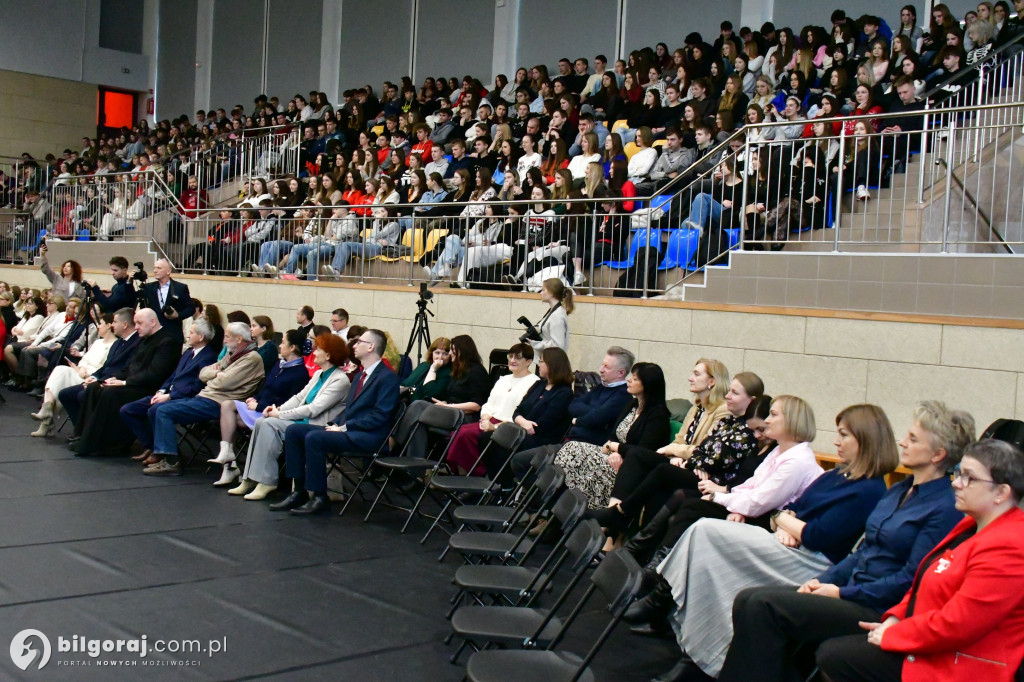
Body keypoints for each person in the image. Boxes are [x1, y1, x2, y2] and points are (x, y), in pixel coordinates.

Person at [717, 401, 975, 682]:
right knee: (747, 599)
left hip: (878, 606)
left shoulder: (945, 506)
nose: (902, 442)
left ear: (938, 454)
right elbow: (863, 551)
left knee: (762, 605)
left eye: (913, 439)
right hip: (852, 588)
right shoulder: (899, 489)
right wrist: (822, 580)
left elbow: (912, 579)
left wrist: (841, 593)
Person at [640, 404, 898, 681]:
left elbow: (816, 535)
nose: (836, 440)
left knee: (705, 531)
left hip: (810, 559)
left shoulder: (869, 488)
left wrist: (787, 522)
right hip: (788, 544)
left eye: (844, 435)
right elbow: (790, 509)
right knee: (704, 534)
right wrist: (787, 521)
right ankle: (687, 638)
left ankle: (668, 608)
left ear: (866, 439)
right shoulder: (837, 474)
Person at [817, 439, 1024, 682]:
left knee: (834, 655)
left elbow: (959, 624)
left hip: (960, 663)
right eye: (957, 473)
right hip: (929, 640)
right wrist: (895, 617)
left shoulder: (1010, 546)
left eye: (969, 477)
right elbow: (922, 581)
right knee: (829, 648)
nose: (956, 483)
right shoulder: (969, 525)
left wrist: (896, 634)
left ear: (1001, 492)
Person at [587, 371, 763, 533]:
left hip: (709, 481)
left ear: (752, 400)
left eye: (735, 393)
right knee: (637, 456)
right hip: (693, 468)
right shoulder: (728, 421)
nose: (727, 395)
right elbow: (702, 449)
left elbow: (717, 460)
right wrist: (690, 458)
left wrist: (692, 460)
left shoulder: (747, 431)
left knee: (660, 471)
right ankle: (617, 517)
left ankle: (619, 514)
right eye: (729, 390)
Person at [270, 329, 400, 515]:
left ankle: (319, 496)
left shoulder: (387, 378)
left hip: (369, 436)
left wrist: (345, 426)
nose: (354, 346)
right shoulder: (360, 375)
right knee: (293, 431)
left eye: (359, 342)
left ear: (371, 347)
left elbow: (381, 416)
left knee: (315, 438)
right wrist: (335, 423)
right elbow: (349, 409)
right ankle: (298, 491)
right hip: (350, 429)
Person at [227, 332, 350, 499]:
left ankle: (266, 481)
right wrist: (275, 410)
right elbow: (299, 397)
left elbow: (314, 409)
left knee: (269, 424)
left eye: (318, 349)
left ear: (328, 355)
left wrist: (280, 415)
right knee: (264, 421)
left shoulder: (340, 380)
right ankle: (250, 478)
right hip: (302, 421)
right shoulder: (318, 374)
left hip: (317, 425)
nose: (314, 352)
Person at [142, 322, 265, 475]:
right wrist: (216, 374)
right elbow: (203, 373)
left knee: (164, 411)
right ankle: (167, 454)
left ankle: (171, 462)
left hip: (218, 403)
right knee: (154, 409)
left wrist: (215, 375)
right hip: (205, 396)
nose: (224, 340)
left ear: (239, 339)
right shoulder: (232, 355)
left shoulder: (251, 358)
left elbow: (223, 382)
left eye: (227, 337)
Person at [63, 308, 181, 458]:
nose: (136, 326)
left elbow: (154, 373)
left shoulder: (167, 341)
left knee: (109, 393)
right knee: (95, 386)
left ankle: (106, 443)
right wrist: (111, 378)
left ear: (152, 322)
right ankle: (85, 436)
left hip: (148, 388)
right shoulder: (145, 338)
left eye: (139, 323)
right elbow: (129, 366)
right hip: (134, 383)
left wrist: (124, 383)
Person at [554, 362, 672, 508]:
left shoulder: (658, 416)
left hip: (630, 466)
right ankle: (565, 506)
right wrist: (613, 448)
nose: (629, 380)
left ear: (648, 385)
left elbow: (642, 451)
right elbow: (614, 434)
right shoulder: (632, 405)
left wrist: (617, 448)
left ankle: (580, 511)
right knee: (570, 449)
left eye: (635, 379)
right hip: (613, 454)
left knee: (587, 466)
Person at [118, 319, 218, 465]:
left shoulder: (209, 357)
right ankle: (152, 445)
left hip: (183, 398)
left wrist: (170, 396)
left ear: (201, 336)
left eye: (191, 332)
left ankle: (164, 453)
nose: (188, 335)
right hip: (167, 393)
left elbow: (196, 386)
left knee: (156, 410)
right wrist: (161, 390)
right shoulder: (189, 353)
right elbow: (173, 375)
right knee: (128, 410)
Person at [444, 344, 539, 475]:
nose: (512, 360)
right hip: (489, 420)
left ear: (529, 361)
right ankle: (462, 476)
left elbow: (522, 413)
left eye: (517, 357)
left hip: (508, 426)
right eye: (510, 356)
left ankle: (475, 475)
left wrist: (494, 426)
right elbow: (489, 403)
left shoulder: (534, 383)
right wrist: (485, 418)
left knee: (464, 435)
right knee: (458, 432)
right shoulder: (504, 379)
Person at [30, 313, 117, 437]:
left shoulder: (115, 344)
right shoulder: (98, 342)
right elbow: (84, 359)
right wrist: (81, 367)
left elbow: (105, 367)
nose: (98, 327)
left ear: (109, 326)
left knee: (58, 379)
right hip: (80, 371)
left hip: (92, 377)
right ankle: (46, 410)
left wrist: (88, 372)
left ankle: (47, 420)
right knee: (59, 369)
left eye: (101, 324)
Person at [136, 258, 195, 345]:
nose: (155, 271)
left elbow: (191, 308)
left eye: (159, 268)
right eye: (154, 268)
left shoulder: (180, 288)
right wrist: (129, 282)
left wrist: (178, 315)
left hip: (173, 334)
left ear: (168, 271)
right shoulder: (148, 288)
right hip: (153, 336)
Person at [523, 278, 572, 352]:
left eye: (543, 290)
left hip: (552, 361)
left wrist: (535, 343)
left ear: (552, 292)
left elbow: (558, 345)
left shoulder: (557, 315)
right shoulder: (553, 311)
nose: (540, 293)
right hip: (547, 359)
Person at [401, 336, 452, 402]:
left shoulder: (448, 373)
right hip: (406, 399)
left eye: (445, 354)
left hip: (421, 406)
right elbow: (407, 384)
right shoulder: (424, 365)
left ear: (450, 356)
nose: (440, 357)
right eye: (437, 353)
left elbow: (429, 393)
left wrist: (433, 369)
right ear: (431, 353)